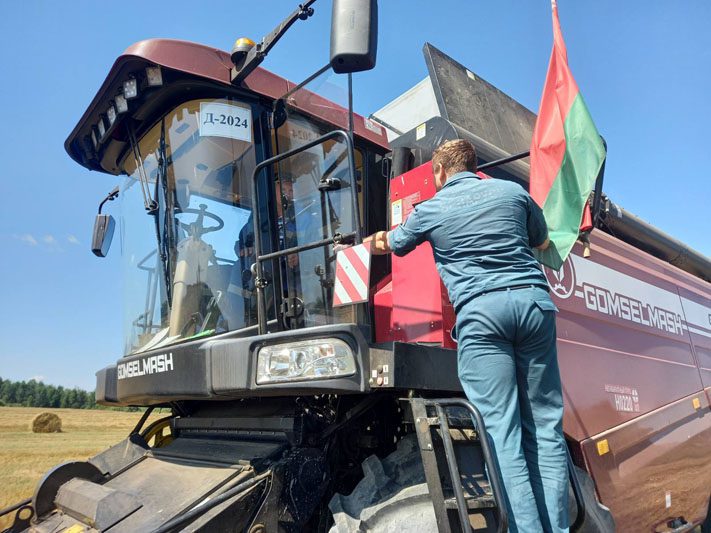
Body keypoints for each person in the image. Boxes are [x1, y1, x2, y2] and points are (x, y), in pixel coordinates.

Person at [364, 139, 568, 532]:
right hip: (534, 307)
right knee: (545, 429)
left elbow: (393, 242)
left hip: (483, 314)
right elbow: (542, 243)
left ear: (440, 171)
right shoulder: (513, 193)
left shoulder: (431, 209)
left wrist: (364, 243)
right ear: (473, 166)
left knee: (502, 434)